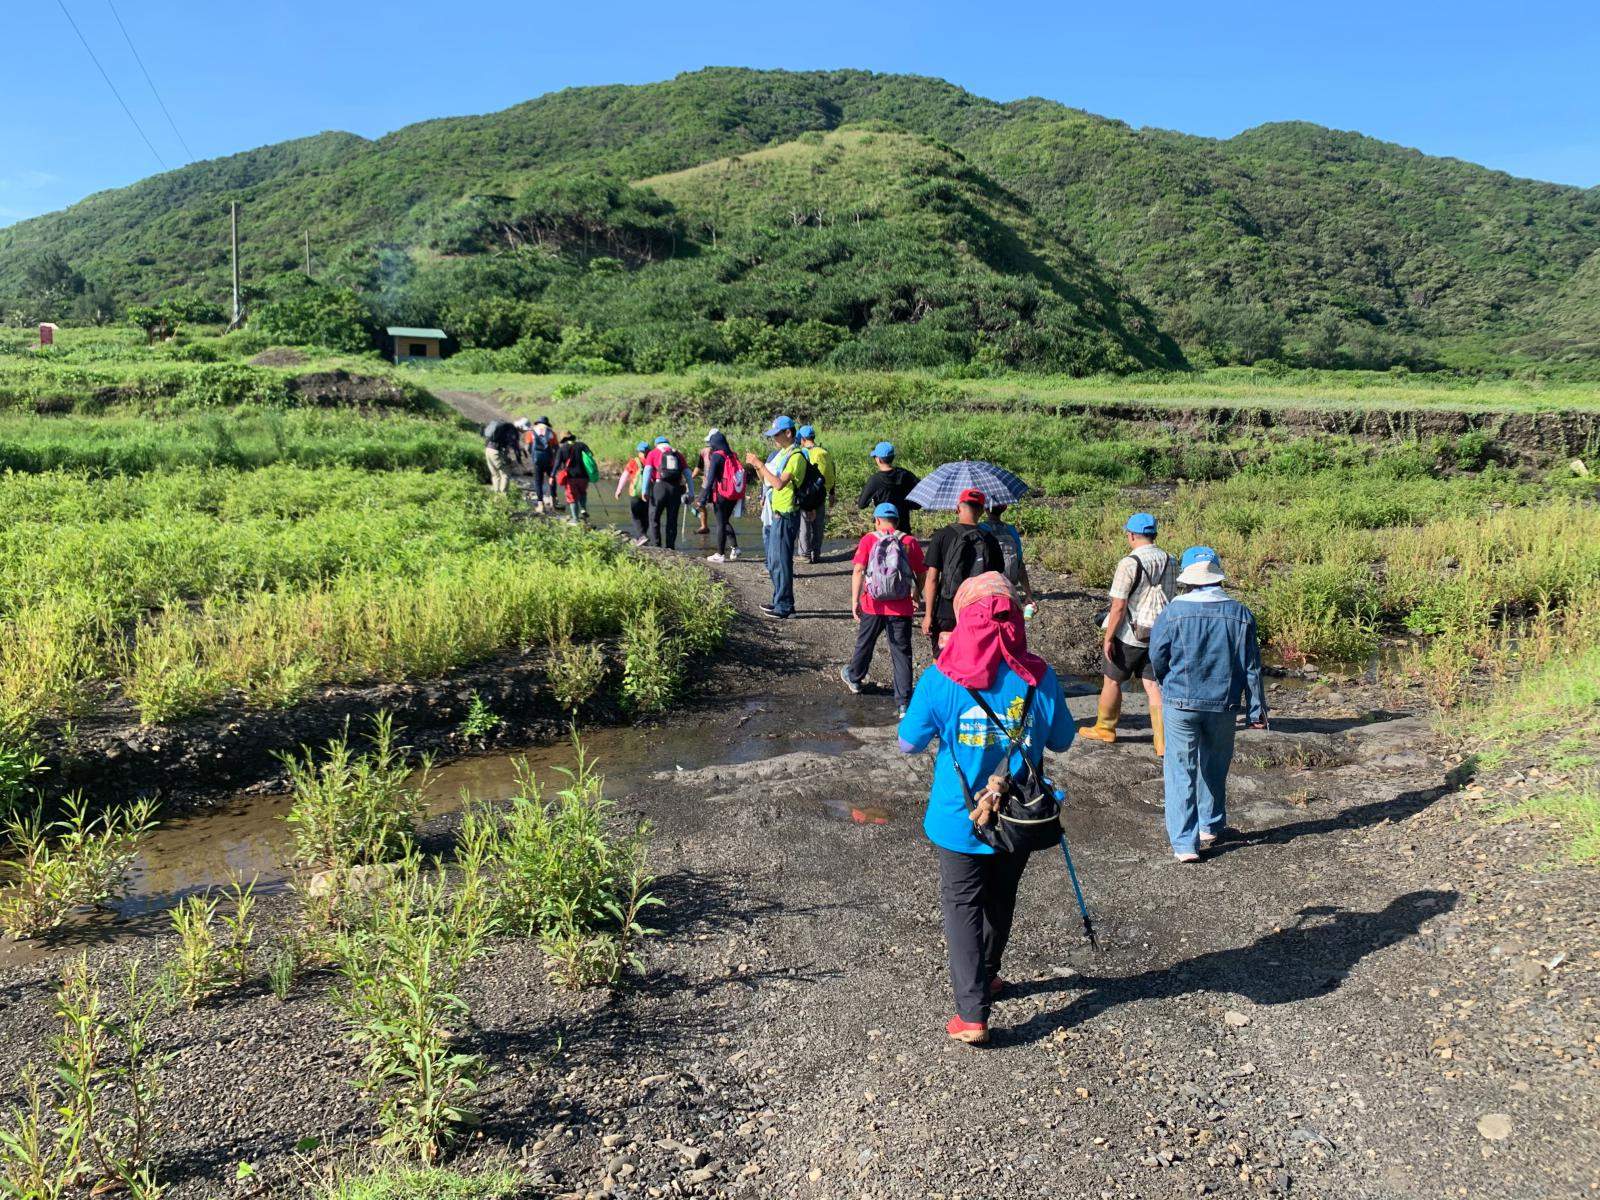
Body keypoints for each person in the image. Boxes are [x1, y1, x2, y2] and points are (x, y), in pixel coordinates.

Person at [899, 572, 1076, 1044]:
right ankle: (990, 972)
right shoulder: (1039, 674)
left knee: (962, 905)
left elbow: (908, 742)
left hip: (960, 818)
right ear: (1015, 620)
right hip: (1020, 816)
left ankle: (972, 1011)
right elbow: (1062, 739)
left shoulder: (940, 677)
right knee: (1001, 897)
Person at [1148, 547, 1268, 862]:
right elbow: (1252, 667)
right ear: (1216, 574)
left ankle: (1186, 844)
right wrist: (1256, 710)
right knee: (1214, 764)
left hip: (1181, 701)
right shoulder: (1240, 612)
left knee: (1180, 769)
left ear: (1188, 576)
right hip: (1223, 702)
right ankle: (1210, 825)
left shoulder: (1173, 611)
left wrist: (1166, 683)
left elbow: (1158, 657)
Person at [1079, 513, 1177, 754]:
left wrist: (1109, 637)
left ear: (1132, 535)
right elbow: (1172, 598)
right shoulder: (1171, 560)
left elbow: (1119, 606)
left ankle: (1105, 728)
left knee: (1112, 680)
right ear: (1154, 534)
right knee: (1154, 686)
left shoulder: (1129, 563)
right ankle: (1162, 742)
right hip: (1160, 634)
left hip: (1130, 635)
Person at [842, 502, 927, 717]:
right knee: (901, 653)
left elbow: (859, 570)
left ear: (877, 520)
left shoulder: (869, 539)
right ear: (897, 521)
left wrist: (855, 601)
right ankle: (903, 703)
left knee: (865, 643)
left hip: (873, 604)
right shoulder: (909, 542)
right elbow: (922, 573)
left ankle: (854, 678)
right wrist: (916, 594)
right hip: (901, 607)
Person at [923, 489, 1004, 654]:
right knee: (975, 657)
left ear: (957, 508)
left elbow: (931, 579)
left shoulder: (942, 535)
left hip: (947, 611)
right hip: (980, 611)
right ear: (982, 511)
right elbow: (997, 578)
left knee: (942, 661)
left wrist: (928, 615)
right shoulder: (990, 539)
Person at [745, 415, 808, 620]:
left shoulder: (796, 456)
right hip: (775, 513)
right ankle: (779, 599)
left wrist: (760, 464)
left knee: (781, 561)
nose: (774, 438)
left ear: (788, 433)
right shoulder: (781, 453)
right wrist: (757, 466)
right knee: (773, 561)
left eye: (777, 434)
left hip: (787, 514)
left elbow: (779, 483)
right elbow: (767, 480)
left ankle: (785, 606)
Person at [700, 430, 744, 563]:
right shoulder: (731, 455)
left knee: (720, 523)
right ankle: (735, 548)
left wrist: (702, 498)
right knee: (724, 521)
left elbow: (711, 478)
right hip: (733, 494)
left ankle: (719, 554)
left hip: (721, 495)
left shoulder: (717, 456)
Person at [857, 442, 920, 534]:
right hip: (904, 526)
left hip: (883, 528)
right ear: (892, 458)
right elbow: (920, 492)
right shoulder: (905, 474)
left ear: (878, 460)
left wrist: (874, 499)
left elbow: (862, 504)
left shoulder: (875, 480)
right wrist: (907, 503)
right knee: (905, 547)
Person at [980, 503, 1034, 608]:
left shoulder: (980, 528)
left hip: (986, 588)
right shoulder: (1011, 530)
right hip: (1009, 587)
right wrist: (1029, 595)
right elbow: (1020, 564)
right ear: (1005, 508)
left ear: (985, 509)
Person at [795, 425, 835, 564]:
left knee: (804, 525)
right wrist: (831, 493)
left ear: (803, 439)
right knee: (818, 526)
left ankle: (804, 554)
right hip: (821, 494)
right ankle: (816, 554)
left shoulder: (802, 453)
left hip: (807, 494)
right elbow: (831, 472)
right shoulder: (824, 452)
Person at [645, 435, 688, 549]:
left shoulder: (653, 453)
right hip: (675, 489)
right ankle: (670, 547)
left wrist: (645, 490)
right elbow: (687, 473)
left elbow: (647, 471)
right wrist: (691, 492)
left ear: (656, 444)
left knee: (654, 517)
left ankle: (656, 545)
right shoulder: (677, 454)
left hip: (659, 487)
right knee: (672, 519)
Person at [553, 432, 594, 523]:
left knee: (572, 497)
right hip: (584, 476)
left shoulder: (562, 449)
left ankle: (575, 519)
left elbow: (557, 464)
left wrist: (552, 475)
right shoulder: (582, 445)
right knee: (582, 492)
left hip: (571, 477)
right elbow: (590, 455)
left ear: (564, 440)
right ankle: (583, 508)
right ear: (573, 438)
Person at [615, 441, 652, 544]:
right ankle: (644, 535)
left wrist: (619, 489)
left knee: (635, 515)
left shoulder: (634, 462)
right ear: (648, 451)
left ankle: (642, 536)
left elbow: (624, 476)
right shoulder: (651, 460)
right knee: (645, 515)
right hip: (648, 493)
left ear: (638, 451)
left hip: (634, 493)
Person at [482, 418, 524, 494]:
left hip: (488, 450)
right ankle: (503, 496)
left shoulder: (505, 428)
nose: (523, 432)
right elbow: (514, 447)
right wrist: (517, 460)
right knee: (506, 474)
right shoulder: (512, 430)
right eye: (523, 430)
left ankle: (496, 495)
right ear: (520, 427)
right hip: (496, 452)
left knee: (495, 474)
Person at [527, 415, 557, 512]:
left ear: (538, 422)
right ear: (547, 424)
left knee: (538, 482)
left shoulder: (531, 432)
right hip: (549, 461)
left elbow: (527, 447)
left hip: (537, 461)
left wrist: (533, 455)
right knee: (552, 479)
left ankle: (541, 504)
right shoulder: (551, 433)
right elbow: (556, 448)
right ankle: (553, 501)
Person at [692, 430, 719, 535]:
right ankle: (704, 526)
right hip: (706, 483)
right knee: (699, 503)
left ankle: (722, 526)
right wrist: (690, 478)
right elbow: (699, 467)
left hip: (718, 485)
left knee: (718, 506)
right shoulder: (703, 452)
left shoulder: (722, 452)